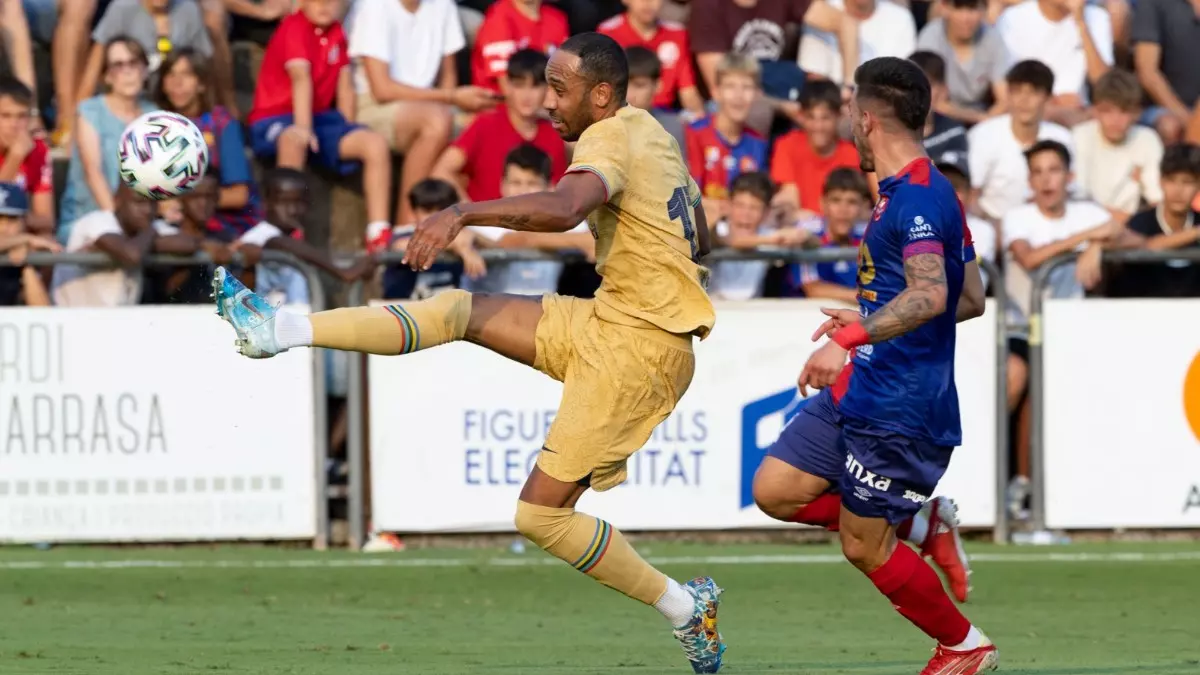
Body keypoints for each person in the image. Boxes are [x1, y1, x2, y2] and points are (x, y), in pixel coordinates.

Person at [212, 33, 727, 674]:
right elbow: (700, 235)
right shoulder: (652, 131)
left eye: (558, 89)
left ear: (601, 94)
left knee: (540, 515)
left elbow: (568, 208)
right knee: (460, 310)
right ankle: (281, 329)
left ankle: (684, 608)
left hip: (638, 351)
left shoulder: (609, 137)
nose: (546, 103)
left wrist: (464, 211)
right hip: (611, 321)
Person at [750, 57, 998, 675]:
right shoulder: (926, 192)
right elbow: (969, 296)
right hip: (867, 382)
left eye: (849, 117)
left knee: (862, 545)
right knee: (775, 490)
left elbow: (934, 297)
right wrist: (861, 332)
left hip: (901, 406)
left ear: (866, 120)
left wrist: (860, 330)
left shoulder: (916, 199)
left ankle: (965, 646)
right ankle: (922, 520)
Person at [247, 0, 394, 240]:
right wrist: (303, 128)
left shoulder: (337, 32)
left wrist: (345, 128)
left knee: (374, 142)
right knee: (294, 139)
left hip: (321, 119)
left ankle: (378, 231)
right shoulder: (294, 27)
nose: (324, 5)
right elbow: (300, 78)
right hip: (274, 116)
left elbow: (345, 86)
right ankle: (287, 228)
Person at [58, 36, 158, 245]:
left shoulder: (153, 114)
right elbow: (92, 170)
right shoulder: (89, 110)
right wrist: (117, 221)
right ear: (107, 76)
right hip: (91, 216)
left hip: (139, 219)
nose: (128, 71)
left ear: (145, 70)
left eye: (133, 63)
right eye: (118, 65)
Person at [432, 48, 566, 203]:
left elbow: (557, 191)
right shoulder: (485, 125)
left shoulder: (555, 133)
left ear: (547, 89)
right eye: (519, 85)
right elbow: (441, 171)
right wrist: (469, 211)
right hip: (485, 223)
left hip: (536, 223)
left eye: (535, 86)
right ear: (507, 86)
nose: (526, 95)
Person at [155, 48, 261, 240]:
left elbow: (239, 195)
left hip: (222, 225)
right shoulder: (154, 125)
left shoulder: (221, 124)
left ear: (202, 84)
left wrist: (185, 201)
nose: (177, 83)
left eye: (187, 75)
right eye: (170, 74)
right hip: (171, 223)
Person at [234, 168, 378, 307]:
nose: (292, 210)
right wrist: (343, 272)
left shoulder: (295, 236)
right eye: (284, 202)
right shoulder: (261, 234)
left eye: (299, 202)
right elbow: (278, 243)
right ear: (265, 203)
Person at [466, 144, 595, 295]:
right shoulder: (481, 222)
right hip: (493, 313)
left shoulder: (567, 222)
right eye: (516, 183)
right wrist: (573, 241)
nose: (523, 192)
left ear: (550, 188)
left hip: (545, 312)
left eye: (532, 183)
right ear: (503, 185)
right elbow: (508, 241)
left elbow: (593, 242)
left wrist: (531, 239)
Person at [685, 53, 768, 222]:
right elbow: (687, 195)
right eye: (730, 87)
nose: (738, 96)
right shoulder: (693, 133)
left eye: (747, 87)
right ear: (716, 92)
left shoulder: (759, 143)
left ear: (757, 94)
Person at [1111, 143, 1200, 297]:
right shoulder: (1140, 223)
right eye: (1171, 180)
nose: (1178, 191)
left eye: (1187, 182)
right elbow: (1140, 246)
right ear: (1160, 181)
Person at [789, 168, 870, 304]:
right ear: (823, 204)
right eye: (836, 200)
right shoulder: (807, 233)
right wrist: (863, 297)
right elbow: (813, 289)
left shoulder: (870, 235)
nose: (843, 210)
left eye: (852, 202)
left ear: (863, 207)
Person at [0, 77, 55, 234]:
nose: (14, 125)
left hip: (15, 234)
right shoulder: (21, 150)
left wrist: (20, 221)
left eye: (21, 116)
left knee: (46, 238)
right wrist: (15, 157)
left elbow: (47, 219)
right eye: (5, 116)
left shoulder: (37, 151)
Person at [0, 182, 56, 306]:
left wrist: (25, 266)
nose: (3, 228)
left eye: (12, 220)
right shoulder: (24, 240)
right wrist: (25, 239)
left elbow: (41, 315)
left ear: (25, 222)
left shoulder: (22, 252)